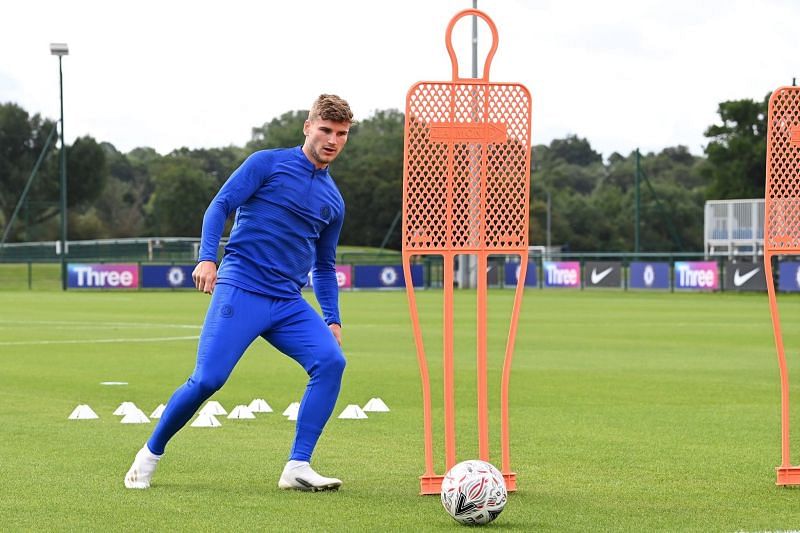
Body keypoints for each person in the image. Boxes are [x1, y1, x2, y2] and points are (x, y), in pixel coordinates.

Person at [124, 94, 353, 492]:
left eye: (342, 133)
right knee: (208, 379)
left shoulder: (334, 200)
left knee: (331, 362)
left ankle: (297, 466)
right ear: (307, 127)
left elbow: (325, 266)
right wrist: (207, 258)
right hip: (241, 288)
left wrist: (332, 318)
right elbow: (220, 205)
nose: (332, 140)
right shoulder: (267, 163)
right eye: (326, 130)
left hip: (287, 302)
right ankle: (148, 455)